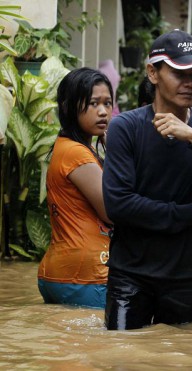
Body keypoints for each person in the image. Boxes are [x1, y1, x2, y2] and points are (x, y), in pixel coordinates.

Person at [102, 29, 192, 330]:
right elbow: (118, 205)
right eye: (180, 73)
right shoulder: (124, 128)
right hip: (131, 273)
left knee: (181, 357)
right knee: (120, 355)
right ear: (152, 73)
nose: (190, 83)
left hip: (188, 275)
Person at [38, 67, 114, 308]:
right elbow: (112, 210)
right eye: (93, 103)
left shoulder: (68, 147)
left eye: (107, 103)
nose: (103, 112)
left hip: (65, 272)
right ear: (68, 106)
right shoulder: (76, 153)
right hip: (85, 276)